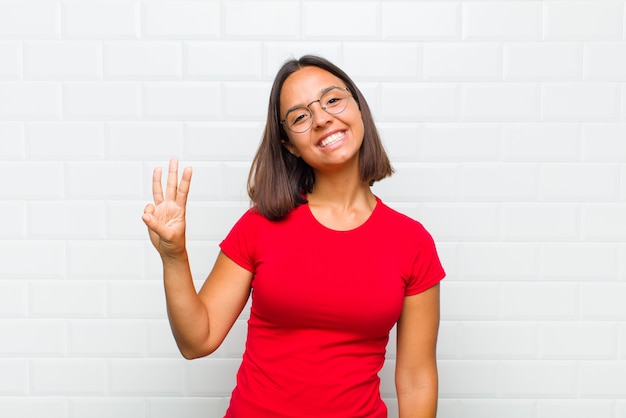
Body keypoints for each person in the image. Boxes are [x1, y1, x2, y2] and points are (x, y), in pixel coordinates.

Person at [142, 55, 445, 418]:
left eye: (333, 100)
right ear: (288, 144)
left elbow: (416, 377)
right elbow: (197, 340)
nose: (321, 118)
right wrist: (174, 256)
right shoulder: (260, 225)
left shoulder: (412, 242)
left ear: (358, 108)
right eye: (300, 116)